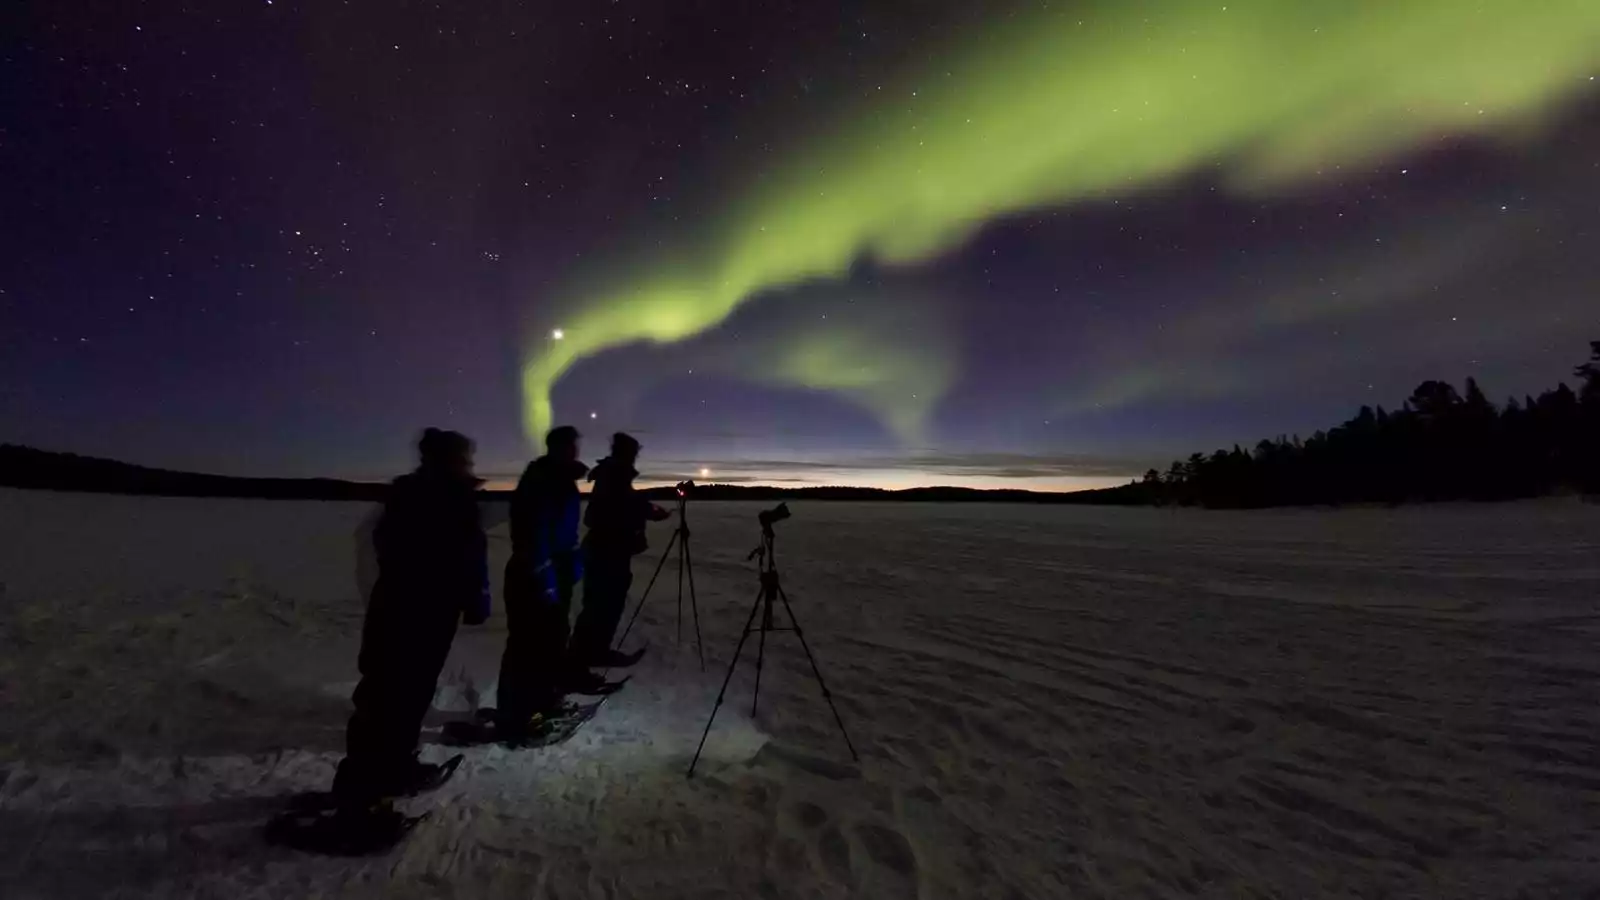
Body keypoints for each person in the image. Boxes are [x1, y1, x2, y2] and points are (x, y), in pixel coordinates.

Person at [332, 428, 489, 808]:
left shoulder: (415, 494)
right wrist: (470, 595)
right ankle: (364, 791)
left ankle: (391, 768)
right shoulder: (440, 497)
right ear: (449, 458)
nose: (468, 462)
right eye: (463, 456)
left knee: (402, 694)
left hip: (412, 609)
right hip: (415, 611)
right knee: (392, 696)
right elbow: (460, 556)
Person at [494, 424, 588, 738]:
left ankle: (544, 700)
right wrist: (544, 577)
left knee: (553, 641)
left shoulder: (563, 481)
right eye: (570, 446)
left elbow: (566, 531)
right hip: (532, 576)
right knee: (527, 647)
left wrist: (573, 563)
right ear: (557, 448)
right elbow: (531, 534)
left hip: (555, 574)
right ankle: (517, 716)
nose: (576, 450)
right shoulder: (541, 480)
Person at [570, 432, 669, 671]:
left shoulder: (613, 476)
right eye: (633, 453)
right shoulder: (614, 476)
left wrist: (646, 509)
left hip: (607, 551)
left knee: (603, 606)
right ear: (627, 453)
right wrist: (646, 510)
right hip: (606, 553)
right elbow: (613, 508)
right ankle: (582, 660)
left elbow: (626, 503)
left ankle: (592, 654)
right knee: (600, 607)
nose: (635, 458)